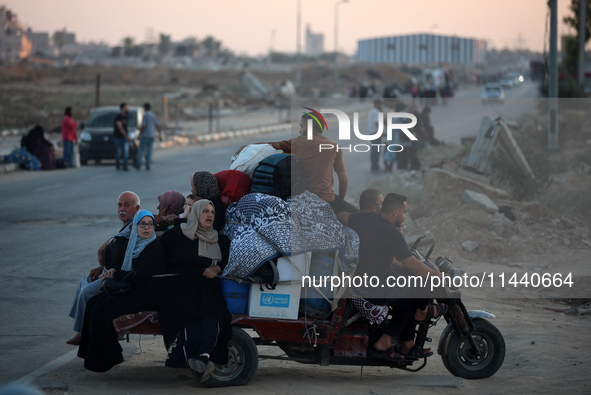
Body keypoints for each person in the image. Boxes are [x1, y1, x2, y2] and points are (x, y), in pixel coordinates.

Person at [339, 193, 446, 362]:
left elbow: (342, 216)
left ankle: (399, 343)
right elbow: (412, 264)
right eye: (404, 212)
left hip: (361, 284)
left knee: (410, 300)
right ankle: (423, 310)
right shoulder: (391, 232)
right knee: (422, 276)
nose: (404, 217)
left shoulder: (366, 218)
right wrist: (437, 276)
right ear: (395, 212)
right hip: (377, 289)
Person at [77, 210, 164, 372]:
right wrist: (111, 272)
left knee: (103, 310)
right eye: (142, 224)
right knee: (93, 303)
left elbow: (140, 275)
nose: (146, 228)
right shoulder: (133, 245)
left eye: (150, 224)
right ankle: (88, 354)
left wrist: (116, 275)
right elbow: (123, 268)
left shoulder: (154, 247)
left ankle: (110, 356)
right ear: (135, 227)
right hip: (133, 288)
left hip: (147, 293)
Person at [158, 199, 232, 382]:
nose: (209, 215)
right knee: (184, 313)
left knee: (213, 315)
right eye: (205, 211)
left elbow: (226, 262)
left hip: (207, 287)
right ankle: (193, 359)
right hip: (180, 287)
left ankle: (202, 356)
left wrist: (217, 269)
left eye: (212, 212)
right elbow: (159, 255)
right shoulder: (177, 236)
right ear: (196, 214)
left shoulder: (221, 240)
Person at [239, 112, 356, 214]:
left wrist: (247, 147)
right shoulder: (334, 146)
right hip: (326, 198)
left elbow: (271, 145)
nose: (299, 131)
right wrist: (340, 200)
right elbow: (343, 179)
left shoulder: (296, 142)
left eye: (301, 127)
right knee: (356, 212)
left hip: (301, 197)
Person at [67, 191, 140, 345]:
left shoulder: (136, 224)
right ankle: (81, 327)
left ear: (137, 208)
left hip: (124, 277)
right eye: (120, 205)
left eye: (127, 205)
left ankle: (82, 332)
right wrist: (103, 267)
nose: (122, 209)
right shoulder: (127, 224)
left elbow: (102, 249)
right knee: (84, 281)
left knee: (86, 292)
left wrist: (103, 266)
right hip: (113, 270)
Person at [134, 102, 162, 170]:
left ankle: (138, 164)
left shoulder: (145, 115)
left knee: (141, 150)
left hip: (145, 135)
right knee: (149, 150)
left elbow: (143, 126)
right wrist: (159, 135)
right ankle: (148, 164)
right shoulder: (153, 115)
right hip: (152, 135)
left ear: (145, 108)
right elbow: (157, 126)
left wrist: (140, 134)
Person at [113, 102, 131, 171]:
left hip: (124, 138)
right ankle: (118, 165)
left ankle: (124, 165)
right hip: (117, 137)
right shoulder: (118, 117)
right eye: (127, 107)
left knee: (125, 152)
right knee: (118, 152)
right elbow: (120, 127)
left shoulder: (126, 116)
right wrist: (126, 136)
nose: (128, 109)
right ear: (123, 108)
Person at [368, 99, 383, 173]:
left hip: (372, 132)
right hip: (376, 132)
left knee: (374, 149)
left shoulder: (372, 111)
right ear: (377, 104)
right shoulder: (376, 112)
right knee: (376, 150)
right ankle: (375, 166)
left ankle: (374, 165)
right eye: (380, 104)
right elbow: (377, 122)